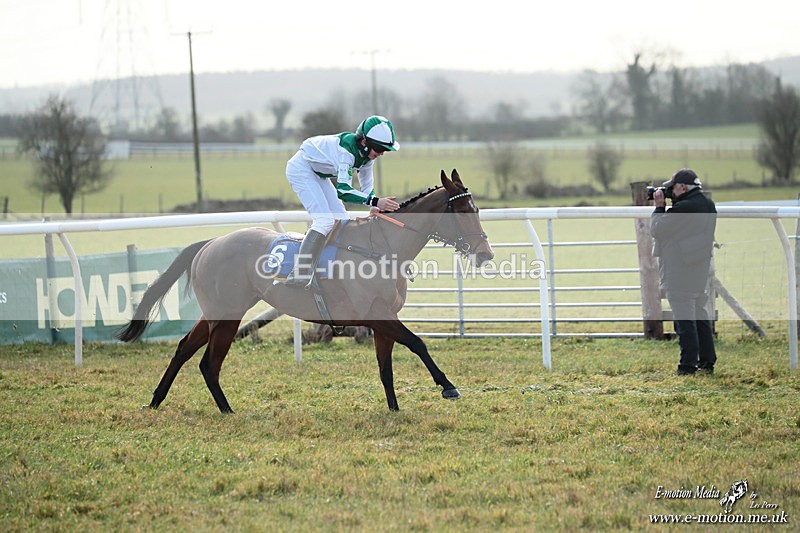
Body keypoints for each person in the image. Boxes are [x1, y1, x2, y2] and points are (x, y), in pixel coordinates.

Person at [279, 115, 401, 288]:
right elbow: (343, 191)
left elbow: (367, 187)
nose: (381, 153)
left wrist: (373, 205)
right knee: (324, 221)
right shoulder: (346, 152)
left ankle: (332, 269)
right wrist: (375, 201)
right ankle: (300, 273)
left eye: (385, 150)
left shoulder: (367, 157)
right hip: (301, 169)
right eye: (380, 148)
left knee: (342, 220)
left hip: (319, 174)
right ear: (364, 142)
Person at [651, 168, 718, 375]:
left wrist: (659, 207)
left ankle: (687, 366)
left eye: (672, 188)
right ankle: (707, 362)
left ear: (682, 187)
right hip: (699, 268)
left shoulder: (685, 208)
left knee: (685, 322)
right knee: (700, 319)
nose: (670, 191)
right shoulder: (707, 204)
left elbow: (657, 229)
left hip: (679, 271)